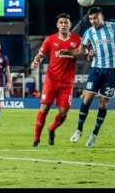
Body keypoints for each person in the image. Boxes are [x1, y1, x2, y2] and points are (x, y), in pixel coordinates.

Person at [61, 6, 115, 147]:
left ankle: (94, 135)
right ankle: (79, 130)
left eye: (95, 18)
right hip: (96, 69)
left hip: (112, 71)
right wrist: (68, 52)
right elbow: (81, 50)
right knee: (87, 99)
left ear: (102, 17)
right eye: (91, 19)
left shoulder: (114, 27)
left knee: (103, 104)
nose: (93, 21)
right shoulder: (89, 33)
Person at [31, 13, 84, 146]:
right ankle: (36, 140)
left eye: (66, 22)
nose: (64, 25)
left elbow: (86, 55)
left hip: (67, 82)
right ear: (57, 25)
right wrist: (36, 61)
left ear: (70, 25)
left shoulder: (78, 40)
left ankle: (52, 128)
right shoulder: (50, 40)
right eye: (61, 22)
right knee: (44, 108)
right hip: (51, 80)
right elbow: (40, 55)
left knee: (63, 113)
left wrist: (91, 55)